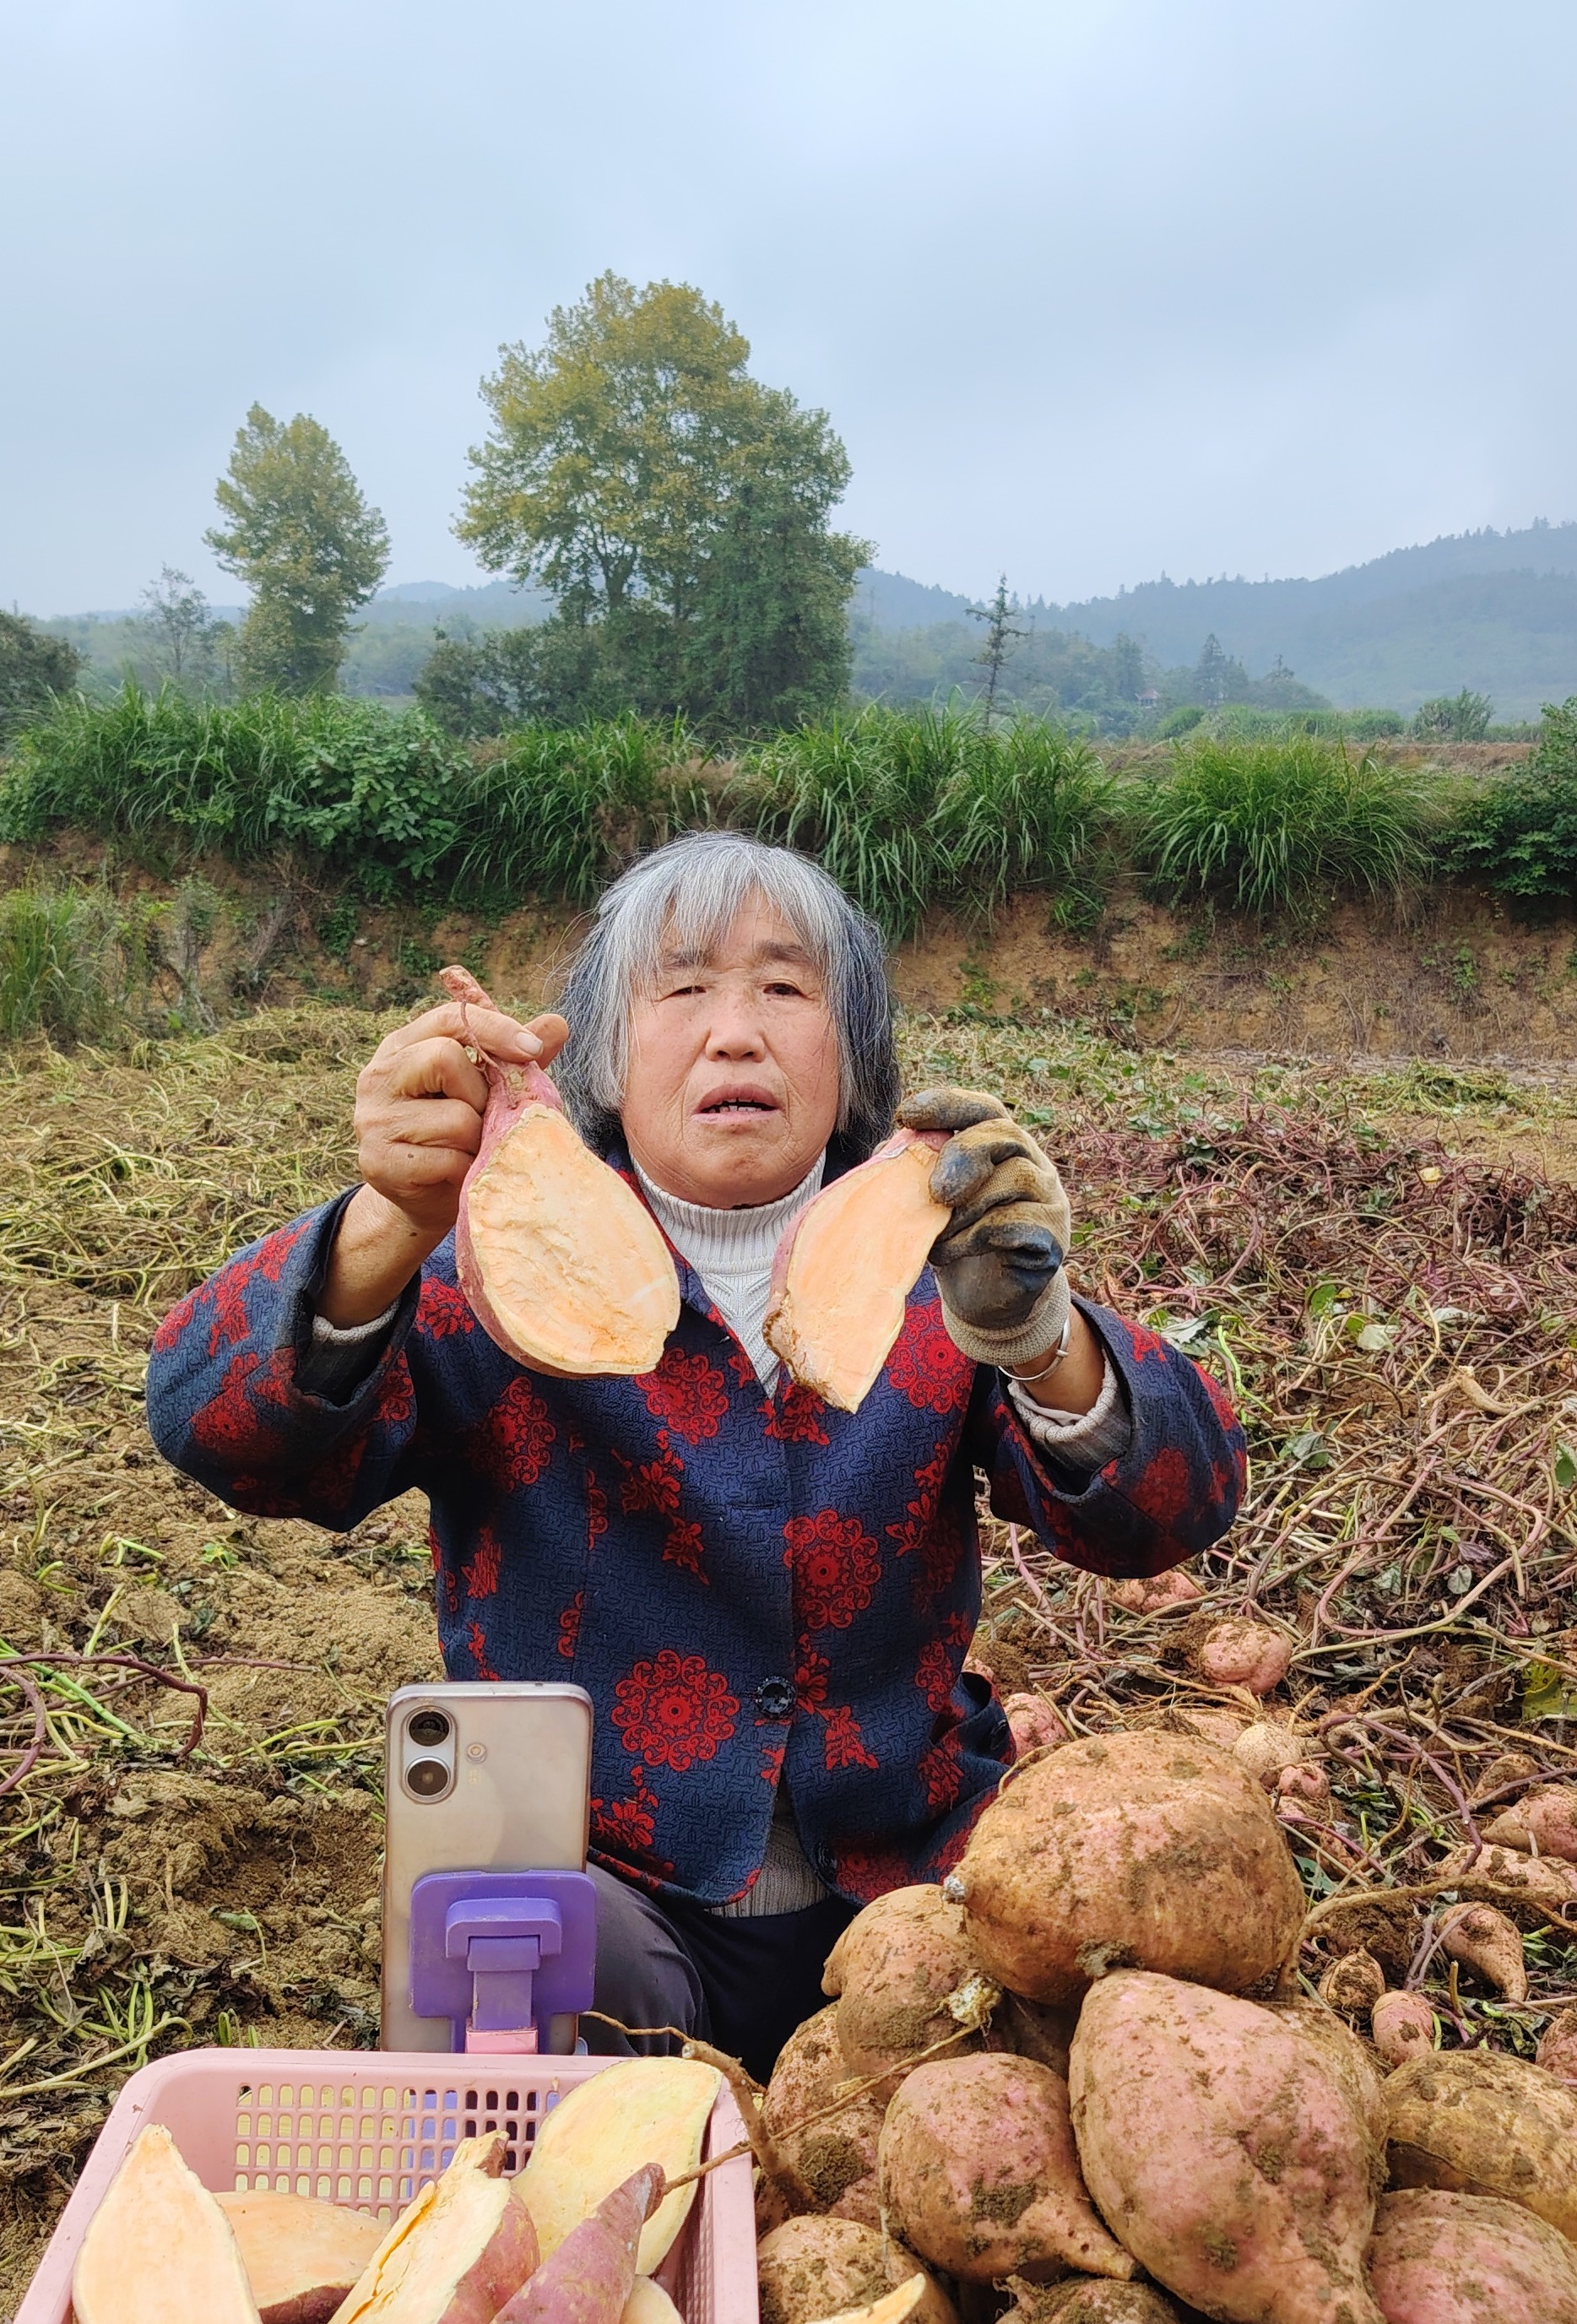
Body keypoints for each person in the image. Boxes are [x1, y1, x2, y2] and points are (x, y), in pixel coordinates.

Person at [146, 832, 1244, 2078]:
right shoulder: (493, 1272)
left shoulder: (939, 1272)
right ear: (605, 1053)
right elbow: (214, 1430)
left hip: (911, 1886)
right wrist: (389, 1224)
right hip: (608, 1883)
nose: (736, 1033)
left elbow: (1173, 1511)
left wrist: (1039, 1338)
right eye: (682, 989)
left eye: (786, 988)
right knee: (509, 1951)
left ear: (855, 1056)